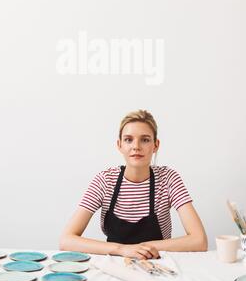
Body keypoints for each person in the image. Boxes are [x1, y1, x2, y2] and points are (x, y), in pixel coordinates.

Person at [59, 110, 208, 259]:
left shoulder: (168, 179)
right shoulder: (105, 180)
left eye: (145, 139)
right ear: (120, 145)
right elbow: (66, 240)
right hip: (115, 265)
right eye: (128, 140)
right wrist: (122, 249)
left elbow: (199, 240)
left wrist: (140, 249)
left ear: (155, 145)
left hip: (157, 265)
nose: (136, 146)